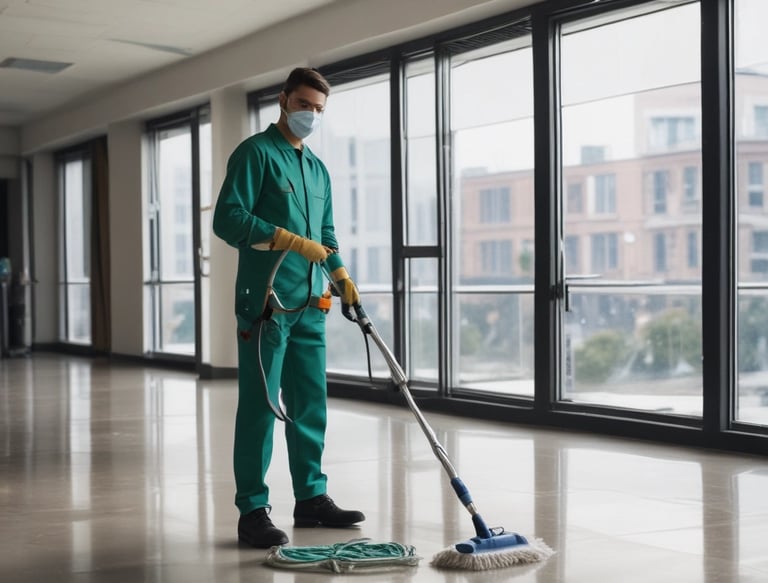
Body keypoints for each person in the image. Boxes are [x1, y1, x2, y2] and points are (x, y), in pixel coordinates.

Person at [212, 67, 364, 548]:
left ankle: (311, 498)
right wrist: (285, 239)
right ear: (283, 100)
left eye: (318, 110)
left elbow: (327, 236)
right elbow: (227, 218)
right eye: (303, 105)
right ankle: (252, 510)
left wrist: (340, 274)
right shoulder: (255, 154)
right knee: (260, 405)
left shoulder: (317, 169)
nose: (310, 116)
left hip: (310, 304)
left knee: (309, 403)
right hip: (267, 304)